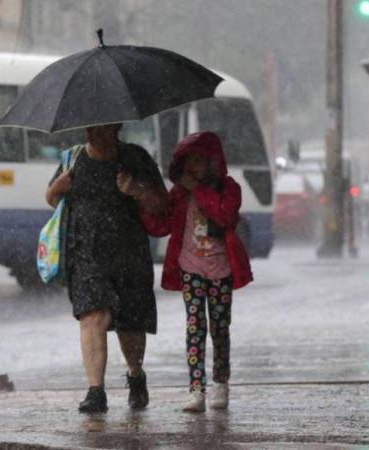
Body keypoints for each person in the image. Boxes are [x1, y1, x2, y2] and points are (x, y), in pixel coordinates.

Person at [46, 123, 169, 413]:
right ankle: (95, 391)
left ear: (116, 127)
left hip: (130, 256)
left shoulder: (135, 158)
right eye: (89, 129)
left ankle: (135, 374)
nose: (92, 134)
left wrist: (137, 189)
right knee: (92, 316)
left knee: (130, 324)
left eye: (100, 130)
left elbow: (162, 205)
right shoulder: (73, 158)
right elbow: (53, 200)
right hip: (86, 254)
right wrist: (56, 188)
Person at [140, 131, 253, 412]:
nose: (193, 168)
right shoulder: (179, 195)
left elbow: (224, 216)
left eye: (199, 161)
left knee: (219, 327)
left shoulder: (230, 189)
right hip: (190, 268)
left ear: (212, 163)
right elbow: (161, 225)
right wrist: (140, 201)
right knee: (195, 326)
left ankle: (221, 383)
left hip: (220, 269)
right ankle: (195, 388)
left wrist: (199, 190)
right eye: (188, 162)